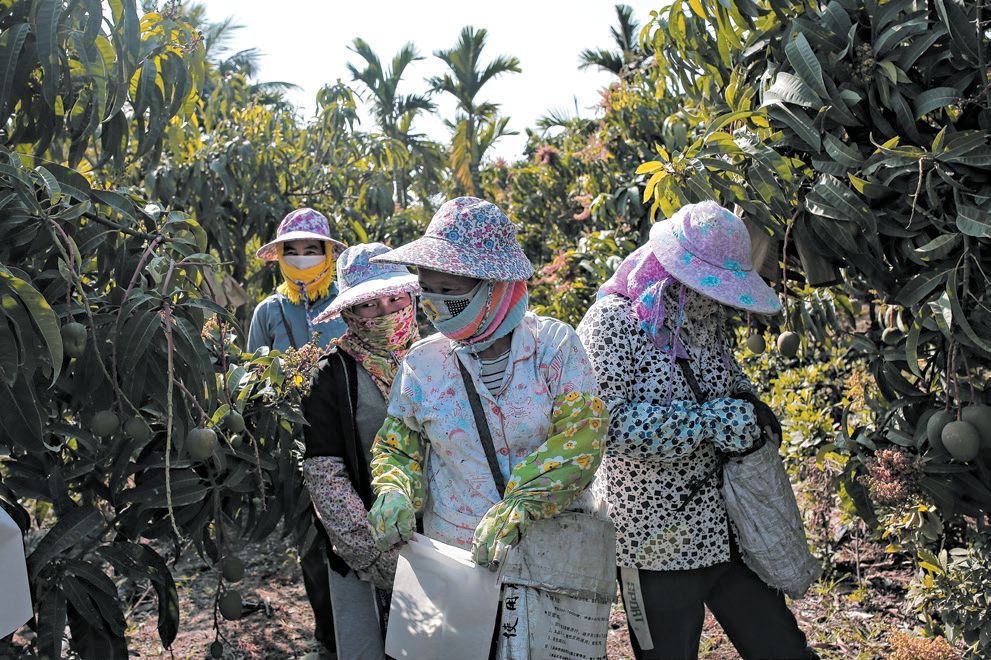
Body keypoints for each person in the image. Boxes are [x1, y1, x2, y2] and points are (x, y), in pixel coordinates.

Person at [365, 196, 613, 658]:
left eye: (450, 290)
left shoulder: (555, 348)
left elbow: (581, 437)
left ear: (496, 287)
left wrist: (523, 503)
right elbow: (398, 445)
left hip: (548, 563)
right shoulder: (423, 364)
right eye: (427, 290)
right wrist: (394, 490)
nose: (435, 305)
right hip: (455, 567)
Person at [576, 200, 816, 660]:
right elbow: (603, 424)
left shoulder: (705, 313)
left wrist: (748, 400)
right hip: (654, 540)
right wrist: (710, 423)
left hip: (725, 525)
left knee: (782, 647)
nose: (716, 297)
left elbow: (724, 374)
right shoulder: (613, 323)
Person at [301, 243, 421, 660]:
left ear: (412, 296)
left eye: (394, 298)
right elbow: (324, 472)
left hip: (445, 544)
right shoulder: (331, 374)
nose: (385, 312)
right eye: (368, 304)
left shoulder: (440, 357)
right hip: (370, 553)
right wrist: (377, 555)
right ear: (350, 313)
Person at [247, 207, 348, 655]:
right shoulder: (269, 311)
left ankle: (373, 628)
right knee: (311, 542)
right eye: (295, 250)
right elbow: (251, 375)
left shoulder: (347, 300)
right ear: (281, 256)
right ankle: (328, 634)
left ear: (328, 253)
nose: (304, 257)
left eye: (313, 249)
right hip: (296, 442)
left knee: (360, 531)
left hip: (350, 431)